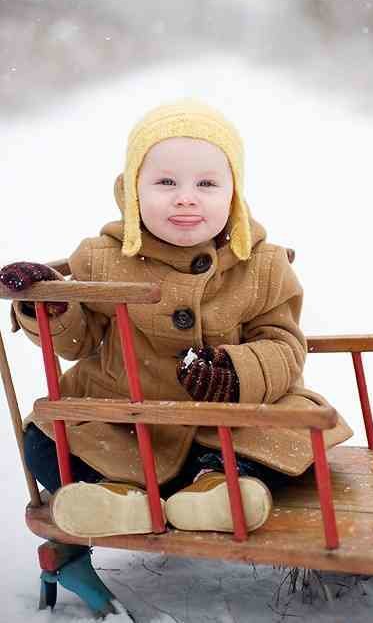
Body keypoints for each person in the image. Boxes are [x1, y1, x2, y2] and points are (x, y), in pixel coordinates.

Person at [0, 100, 353, 537]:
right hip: (124, 421)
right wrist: (51, 306)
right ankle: (115, 496)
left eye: (207, 183)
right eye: (165, 181)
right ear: (131, 191)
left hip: (228, 422)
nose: (186, 196)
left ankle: (217, 487)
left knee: (293, 434)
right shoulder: (102, 258)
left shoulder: (261, 264)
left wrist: (237, 372)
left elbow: (284, 346)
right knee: (45, 440)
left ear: (233, 195)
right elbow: (78, 343)